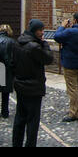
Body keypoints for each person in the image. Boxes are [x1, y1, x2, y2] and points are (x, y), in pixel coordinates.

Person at [12, 19, 53, 147]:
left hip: (20, 86)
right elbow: (48, 58)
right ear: (34, 31)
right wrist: (45, 44)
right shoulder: (34, 47)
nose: (42, 32)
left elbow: (12, 64)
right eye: (40, 30)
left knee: (19, 118)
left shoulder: (17, 43)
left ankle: (16, 144)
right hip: (33, 88)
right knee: (32, 121)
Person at [54, 12, 78, 122]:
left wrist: (62, 26)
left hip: (70, 63)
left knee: (72, 88)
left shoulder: (70, 32)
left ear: (74, 20)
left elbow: (57, 37)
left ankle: (74, 113)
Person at [0, 24, 15, 118]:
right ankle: (5, 111)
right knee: (5, 92)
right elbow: (12, 57)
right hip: (5, 68)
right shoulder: (11, 42)